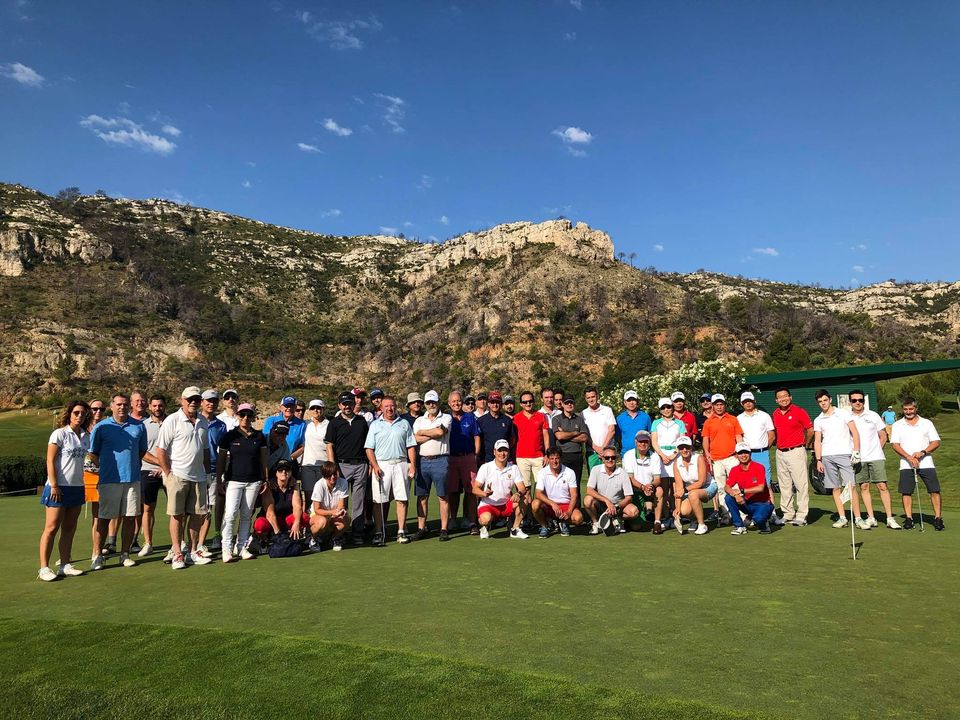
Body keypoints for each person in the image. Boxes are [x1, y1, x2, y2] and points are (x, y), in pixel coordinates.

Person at [88, 393, 148, 570]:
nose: (122, 407)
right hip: (109, 480)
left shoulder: (139, 426)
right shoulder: (102, 426)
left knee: (129, 518)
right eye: (119, 404)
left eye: (125, 404)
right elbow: (93, 453)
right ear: (112, 406)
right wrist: (105, 467)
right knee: (104, 518)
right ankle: (97, 555)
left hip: (132, 479)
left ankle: (125, 554)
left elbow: (141, 451)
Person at [155, 386, 211, 570]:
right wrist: (168, 473)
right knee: (177, 515)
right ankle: (178, 552)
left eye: (196, 399)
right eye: (190, 399)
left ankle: (193, 551)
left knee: (196, 515)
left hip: (199, 476)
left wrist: (207, 473)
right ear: (182, 400)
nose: (193, 402)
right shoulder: (172, 420)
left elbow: (205, 449)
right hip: (178, 475)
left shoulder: (203, 421)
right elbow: (161, 450)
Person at [38, 400, 90, 581]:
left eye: (83, 413)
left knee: (69, 528)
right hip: (58, 487)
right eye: (76, 412)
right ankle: (44, 568)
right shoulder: (59, 434)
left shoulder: (86, 436)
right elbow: (50, 460)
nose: (79, 416)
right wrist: (54, 485)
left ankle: (65, 565)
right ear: (69, 414)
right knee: (51, 527)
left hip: (77, 487)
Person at [218, 403, 268, 561]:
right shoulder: (229, 436)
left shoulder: (259, 436)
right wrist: (219, 479)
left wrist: (265, 479)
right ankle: (226, 549)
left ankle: (241, 547)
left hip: (254, 481)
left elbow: (264, 460)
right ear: (237, 416)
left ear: (253, 417)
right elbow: (221, 460)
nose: (245, 418)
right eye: (242, 414)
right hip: (234, 480)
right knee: (230, 514)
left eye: (249, 415)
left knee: (246, 515)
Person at [364, 395, 417, 546]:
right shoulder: (375, 425)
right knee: (379, 500)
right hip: (382, 465)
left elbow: (410, 446)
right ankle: (379, 532)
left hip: (401, 463)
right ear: (381, 408)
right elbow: (369, 448)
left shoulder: (404, 423)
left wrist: (413, 465)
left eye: (392, 405)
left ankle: (401, 531)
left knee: (402, 499)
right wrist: (375, 466)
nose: (389, 408)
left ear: (396, 406)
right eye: (386, 406)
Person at [848, 389, 901, 529]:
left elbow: (883, 436)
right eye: (854, 400)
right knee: (864, 486)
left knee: (882, 486)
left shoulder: (873, 415)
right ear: (850, 402)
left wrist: (878, 449)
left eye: (860, 400)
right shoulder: (847, 417)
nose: (858, 402)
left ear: (864, 401)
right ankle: (871, 517)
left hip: (876, 456)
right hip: (858, 458)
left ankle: (890, 518)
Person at [891, 397, 944, 531]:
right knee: (906, 492)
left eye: (911, 409)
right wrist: (909, 457)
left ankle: (938, 518)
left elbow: (936, 442)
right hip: (906, 464)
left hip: (926, 463)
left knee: (934, 490)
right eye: (905, 409)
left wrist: (922, 452)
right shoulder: (897, 425)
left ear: (916, 408)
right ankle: (909, 519)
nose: (908, 412)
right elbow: (895, 445)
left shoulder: (926, 423)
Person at [813, 389, 864, 529]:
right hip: (827, 456)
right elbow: (817, 441)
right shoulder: (818, 419)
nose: (823, 403)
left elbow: (855, 432)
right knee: (835, 487)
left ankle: (858, 518)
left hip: (845, 454)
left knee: (851, 486)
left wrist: (856, 451)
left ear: (830, 399)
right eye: (820, 401)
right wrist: (818, 459)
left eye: (825, 400)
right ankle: (842, 517)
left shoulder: (843, 413)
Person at [325, 390, 370, 545]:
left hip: (360, 465)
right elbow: (329, 445)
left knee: (359, 502)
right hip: (341, 466)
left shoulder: (361, 421)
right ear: (339, 405)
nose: (347, 406)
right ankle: (340, 533)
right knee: (341, 501)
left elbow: (368, 445)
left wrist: (369, 464)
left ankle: (357, 533)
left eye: (350, 403)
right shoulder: (334, 423)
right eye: (344, 404)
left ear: (354, 403)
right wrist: (333, 467)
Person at [736, 391, 783, 526]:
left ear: (754, 401)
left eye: (750, 401)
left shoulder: (764, 416)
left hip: (762, 453)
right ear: (741, 404)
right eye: (745, 402)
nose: (748, 403)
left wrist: (764, 448)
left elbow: (771, 435)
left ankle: (772, 513)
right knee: (747, 485)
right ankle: (751, 514)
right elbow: (738, 437)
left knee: (766, 484)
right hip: (746, 455)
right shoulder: (739, 418)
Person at [413, 390, 452, 541]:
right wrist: (433, 433)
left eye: (433, 402)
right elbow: (415, 439)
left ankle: (444, 529)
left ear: (438, 402)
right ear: (425, 404)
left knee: (442, 496)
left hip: (440, 460)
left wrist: (423, 432)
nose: (431, 405)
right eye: (428, 403)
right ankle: (421, 528)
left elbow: (440, 432)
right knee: (422, 496)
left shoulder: (446, 417)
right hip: (422, 461)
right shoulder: (419, 420)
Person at [771, 387, 813, 526]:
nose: (783, 399)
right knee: (784, 485)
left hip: (796, 451)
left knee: (801, 484)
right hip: (780, 452)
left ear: (790, 397)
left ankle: (802, 515)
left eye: (785, 396)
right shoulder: (775, 413)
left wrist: (806, 444)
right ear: (776, 400)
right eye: (780, 397)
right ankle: (788, 514)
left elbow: (810, 430)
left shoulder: (799, 411)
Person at [473, 439, 528, 539]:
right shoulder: (486, 467)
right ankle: (484, 527)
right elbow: (475, 489)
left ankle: (515, 529)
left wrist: (518, 493)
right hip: (489, 505)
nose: (502, 454)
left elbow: (522, 488)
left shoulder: (514, 468)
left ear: (508, 452)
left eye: (505, 450)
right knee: (485, 519)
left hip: (506, 504)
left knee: (525, 498)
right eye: (499, 450)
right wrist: (484, 494)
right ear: (494, 452)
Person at [701, 393, 742, 522]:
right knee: (721, 488)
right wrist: (707, 453)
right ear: (712, 406)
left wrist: (740, 451)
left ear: (725, 405)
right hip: (716, 459)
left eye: (721, 404)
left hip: (732, 457)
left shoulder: (733, 419)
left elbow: (738, 437)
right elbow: (705, 439)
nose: (719, 407)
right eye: (716, 404)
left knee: (736, 486)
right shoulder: (708, 422)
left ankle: (741, 514)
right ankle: (726, 514)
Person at [198, 389, 227, 557]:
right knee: (192, 509)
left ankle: (201, 543)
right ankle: (185, 543)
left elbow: (222, 451)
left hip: (214, 470)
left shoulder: (221, 425)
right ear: (202, 402)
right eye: (208, 400)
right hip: (194, 469)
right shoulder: (194, 420)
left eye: (214, 401)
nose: (211, 404)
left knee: (208, 508)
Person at [137, 394, 167, 557]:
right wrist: (160, 464)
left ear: (165, 406)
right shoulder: (143, 425)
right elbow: (141, 451)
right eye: (154, 405)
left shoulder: (172, 422)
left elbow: (177, 448)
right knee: (148, 508)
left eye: (160, 405)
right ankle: (148, 543)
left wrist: (165, 467)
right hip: (148, 470)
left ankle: (180, 542)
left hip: (170, 470)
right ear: (149, 407)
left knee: (177, 509)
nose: (157, 408)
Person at [447, 391, 480, 533]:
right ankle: (453, 519)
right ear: (449, 403)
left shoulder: (470, 417)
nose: (456, 403)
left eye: (459, 401)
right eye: (453, 401)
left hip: (468, 458)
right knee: (453, 491)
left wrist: (476, 454)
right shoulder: (446, 418)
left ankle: (471, 521)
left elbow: (476, 437)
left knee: (471, 491)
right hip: (451, 458)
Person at [724, 442, 776, 535]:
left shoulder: (759, 467)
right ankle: (739, 526)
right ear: (736, 455)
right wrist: (735, 494)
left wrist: (741, 491)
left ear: (750, 453)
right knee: (728, 498)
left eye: (746, 452)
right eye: (740, 453)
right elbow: (727, 487)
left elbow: (760, 488)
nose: (743, 455)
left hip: (763, 503)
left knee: (759, 519)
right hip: (747, 503)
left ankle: (764, 523)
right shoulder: (735, 470)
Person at [252, 460, 306, 547]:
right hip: (271, 520)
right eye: (280, 470)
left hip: (286, 519)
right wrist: (278, 535)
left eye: (287, 469)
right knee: (260, 524)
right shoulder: (269, 486)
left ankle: (303, 537)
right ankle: (263, 541)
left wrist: (296, 523)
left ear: (291, 472)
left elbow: (297, 506)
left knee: (304, 517)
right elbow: (270, 514)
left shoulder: (294, 485)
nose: (284, 472)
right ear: (276, 473)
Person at [584, 446, 637, 534]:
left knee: (633, 512)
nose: (610, 460)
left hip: (618, 506)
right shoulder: (595, 470)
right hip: (601, 504)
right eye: (607, 458)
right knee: (587, 500)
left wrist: (616, 507)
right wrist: (607, 501)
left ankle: (616, 519)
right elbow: (589, 490)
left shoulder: (623, 473)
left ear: (616, 458)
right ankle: (596, 524)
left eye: (613, 457)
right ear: (602, 459)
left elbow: (629, 497)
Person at [622, 430, 667, 533]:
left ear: (649, 442)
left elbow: (657, 479)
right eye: (640, 441)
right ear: (636, 442)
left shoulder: (655, 456)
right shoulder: (628, 455)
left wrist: (651, 486)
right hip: (634, 491)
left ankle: (657, 522)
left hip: (649, 489)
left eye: (646, 441)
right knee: (636, 526)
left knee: (659, 490)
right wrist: (642, 487)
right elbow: (630, 478)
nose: (643, 444)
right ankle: (627, 520)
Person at [532, 446, 583, 537]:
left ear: (561, 458)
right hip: (549, 506)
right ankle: (545, 526)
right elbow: (538, 494)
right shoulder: (542, 472)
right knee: (535, 504)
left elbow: (574, 495)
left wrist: (569, 512)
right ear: (548, 459)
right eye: (552, 458)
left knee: (578, 519)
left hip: (565, 505)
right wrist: (552, 504)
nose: (554, 461)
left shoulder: (570, 472)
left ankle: (563, 522)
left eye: (557, 458)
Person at [671, 435, 716, 536]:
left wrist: (685, 490)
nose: (684, 450)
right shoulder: (676, 463)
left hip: (708, 487)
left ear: (691, 447)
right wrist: (677, 508)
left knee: (693, 495)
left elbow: (701, 482)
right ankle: (694, 519)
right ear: (678, 449)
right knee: (684, 511)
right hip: (690, 490)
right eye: (681, 447)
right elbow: (679, 487)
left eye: (687, 447)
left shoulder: (699, 458)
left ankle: (702, 524)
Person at [512, 391, 550, 502]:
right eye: (525, 402)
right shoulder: (516, 418)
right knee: (525, 489)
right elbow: (513, 439)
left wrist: (547, 454)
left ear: (533, 402)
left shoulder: (541, 416)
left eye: (530, 401)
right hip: (522, 457)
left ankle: (539, 511)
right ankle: (528, 513)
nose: (528, 404)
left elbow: (546, 436)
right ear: (521, 404)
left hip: (539, 457)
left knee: (541, 488)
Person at [309, 461, 350, 550]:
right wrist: (332, 512)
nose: (332, 477)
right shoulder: (319, 485)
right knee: (322, 522)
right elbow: (317, 510)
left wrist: (341, 512)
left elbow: (341, 505)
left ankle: (334, 538)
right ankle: (313, 539)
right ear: (324, 475)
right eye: (329, 475)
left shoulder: (343, 482)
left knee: (346, 520)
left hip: (333, 514)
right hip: (318, 514)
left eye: (334, 474)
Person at [83, 399, 106, 553]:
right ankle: (66, 554)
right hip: (81, 474)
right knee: (70, 516)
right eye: (94, 408)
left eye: (101, 409)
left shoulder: (106, 428)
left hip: (100, 474)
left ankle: (96, 551)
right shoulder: (81, 428)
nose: (98, 412)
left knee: (98, 515)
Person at [552, 397, 589, 490]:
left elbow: (584, 438)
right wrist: (575, 433)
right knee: (562, 484)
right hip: (562, 455)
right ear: (562, 404)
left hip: (577, 455)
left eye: (571, 403)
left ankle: (576, 500)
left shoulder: (579, 419)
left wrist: (565, 433)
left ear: (574, 404)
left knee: (576, 484)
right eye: (567, 403)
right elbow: (559, 436)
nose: (569, 404)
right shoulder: (556, 419)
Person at [651, 397, 685, 492]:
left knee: (676, 486)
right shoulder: (656, 423)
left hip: (676, 455)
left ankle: (676, 502)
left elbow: (682, 441)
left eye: (668, 407)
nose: (666, 410)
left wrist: (673, 455)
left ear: (672, 407)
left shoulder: (680, 423)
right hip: (660, 456)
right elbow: (654, 441)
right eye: (663, 408)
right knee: (664, 487)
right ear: (660, 410)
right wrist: (662, 455)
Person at [300, 399, 329, 508]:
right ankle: (308, 518)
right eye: (313, 408)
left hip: (324, 465)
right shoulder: (306, 424)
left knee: (323, 497)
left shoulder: (329, 424)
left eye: (318, 408)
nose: (316, 410)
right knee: (309, 498)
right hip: (308, 465)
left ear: (323, 409)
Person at [262, 396, 306, 464]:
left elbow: (302, 447)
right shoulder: (271, 420)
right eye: (286, 406)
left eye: (292, 406)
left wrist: (289, 458)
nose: (289, 408)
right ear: (281, 407)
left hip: (289, 461)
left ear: (295, 407)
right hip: (269, 459)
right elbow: (265, 441)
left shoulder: (301, 424)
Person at [581, 386, 616, 471]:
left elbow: (612, 430)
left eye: (593, 397)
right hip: (592, 452)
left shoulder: (607, 410)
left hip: (608, 452)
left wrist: (603, 449)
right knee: (593, 478)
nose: (591, 399)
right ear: (585, 399)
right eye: (588, 398)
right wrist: (597, 449)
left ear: (597, 396)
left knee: (610, 477)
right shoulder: (583, 413)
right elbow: (585, 435)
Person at [477, 391, 515, 463]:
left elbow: (512, 439)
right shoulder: (481, 421)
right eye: (492, 402)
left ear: (501, 404)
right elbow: (478, 440)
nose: (495, 404)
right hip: (487, 460)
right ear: (488, 404)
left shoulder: (507, 420)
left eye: (497, 402)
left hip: (504, 459)